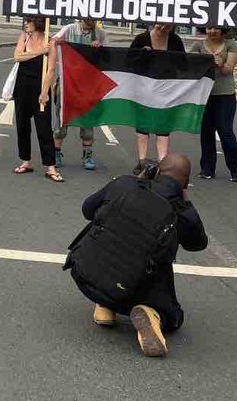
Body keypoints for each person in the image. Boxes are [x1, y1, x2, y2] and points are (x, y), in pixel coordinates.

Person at [67, 153, 208, 358]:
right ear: (185, 184)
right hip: (135, 287)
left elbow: (87, 209)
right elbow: (197, 244)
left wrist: (136, 182)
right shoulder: (180, 210)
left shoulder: (125, 184)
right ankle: (152, 312)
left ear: (157, 171)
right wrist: (185, 202)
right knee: (175, 316)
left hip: (86, 275)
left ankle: (105, 305)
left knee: (116, 237)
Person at [191, 27, 237, 182]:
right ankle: (207, 168)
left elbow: (228, 69)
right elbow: (190, 66)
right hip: (204, 95)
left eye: (216, 28)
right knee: (206, 132)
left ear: (222, 30)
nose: (212, 31)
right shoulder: (198, 46)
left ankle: (236, 169)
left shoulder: (230, 45)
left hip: (225, 95)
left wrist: (220, 63)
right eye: (209, 28)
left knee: (225, 131)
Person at [51, 18, 106, 170]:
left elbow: (106, 59)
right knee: (62, 118)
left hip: (88, 84)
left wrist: (100, 50)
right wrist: (57, 42)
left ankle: (87, 155)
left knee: (88, 120)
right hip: (68, 81)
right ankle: (56, 152)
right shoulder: (69, 29)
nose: (91, 20)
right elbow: (53, 41)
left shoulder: (100, 33)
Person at [12, 15, 62, 182]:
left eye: (29, 21)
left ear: (38, 23)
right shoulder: (24, 36)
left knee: (43, 126)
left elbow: (51, 70)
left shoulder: (51, 41)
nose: (25, 24)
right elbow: (18, 56)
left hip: (40, 87)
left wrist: (45, 92)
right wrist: (40, 51)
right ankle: (25, 160)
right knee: (22, 124)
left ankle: (50, 166)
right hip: (22, 85)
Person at [131, 23, 185, 161]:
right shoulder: (141, 39)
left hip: (166, 89)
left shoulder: (175, 40)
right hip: (144, 89)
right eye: (160, 25)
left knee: (163, 127)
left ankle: (162, 163)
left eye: (167, 26)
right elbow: (127, 61)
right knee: (143, 125)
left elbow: (184, 64)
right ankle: (142, 160)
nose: (162, 28)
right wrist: (141, 53)